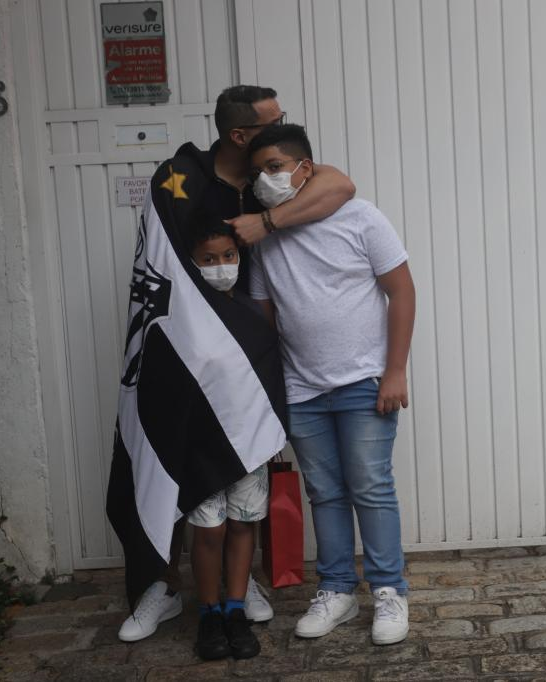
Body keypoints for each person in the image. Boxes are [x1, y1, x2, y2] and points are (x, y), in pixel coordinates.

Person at [117, 84, 355, 644]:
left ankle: (237, 585)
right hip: (181, 353)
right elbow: (162, 265)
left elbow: (341, 185)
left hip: (246, 356)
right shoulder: (180, 177)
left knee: (241, 472)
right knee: (172, 460)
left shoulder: (265, 182)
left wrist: (267, 222)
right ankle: (161, 584)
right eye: (273, 121)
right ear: (239, 134)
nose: (283, 126)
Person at [247, 124, 416, 646]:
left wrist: (394, 370)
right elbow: (267, 319)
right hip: (302, 390)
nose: (266, 179)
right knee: (325, 492)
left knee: (371, 486)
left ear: (306, 168)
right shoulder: (265, 240)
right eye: (258, 171)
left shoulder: (360, 217)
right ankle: (338, 589)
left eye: (275, 167)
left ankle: (388, 590)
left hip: (365, 381)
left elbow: (402, 292)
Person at [183, 212, 268, 660]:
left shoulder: (253, 313)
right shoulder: (182, 317)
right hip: (202, 447)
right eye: (209, 259)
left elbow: (269, 378)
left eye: (229, 256)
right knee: (209, 530)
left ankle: (236, 609)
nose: (221, 266)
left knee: (241, 524)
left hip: (250, 443)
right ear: (192, 262)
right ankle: (208, 612)